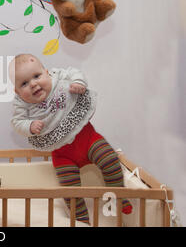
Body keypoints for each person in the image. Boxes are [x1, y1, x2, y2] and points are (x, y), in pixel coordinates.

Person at [10, 53, 132, 223]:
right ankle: (80, 218)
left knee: (110, 159)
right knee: (70, 188)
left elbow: (74, 72)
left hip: (88, 139)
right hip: (62, 154)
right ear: (17, 91)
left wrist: (78, 83)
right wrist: (29, 126)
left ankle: (119, 196)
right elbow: (17, 121)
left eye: (37, 76)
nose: (33, 84)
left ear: (46, 72)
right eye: (24, 83)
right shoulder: (21, 103)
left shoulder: (57, 76)